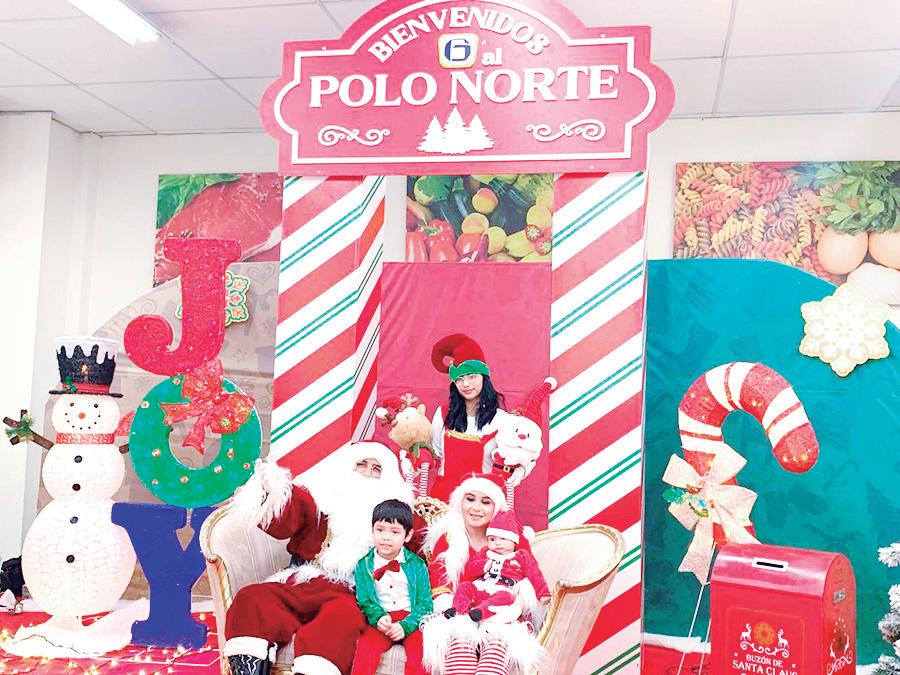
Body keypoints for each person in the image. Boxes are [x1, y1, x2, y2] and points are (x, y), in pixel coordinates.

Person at [223, 441, 413, 675]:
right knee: (252, 599)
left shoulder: (399, 519)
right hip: (306, 580)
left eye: (376, 469)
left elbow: (419, 553)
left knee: (337, 620)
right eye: (361, 465)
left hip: (354, 592)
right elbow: (290, 511)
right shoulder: (322, 501)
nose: (366, 474)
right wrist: (274, 492)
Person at [422, 473, 544, 675]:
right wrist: (459, 614)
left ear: (496, 506)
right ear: (460, 501)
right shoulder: (448, 539)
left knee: (499, 639)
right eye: (470, 499)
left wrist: (516, 608)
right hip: (460, 612)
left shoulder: (512, 536)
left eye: (485, 502)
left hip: (501, 610)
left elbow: (529, 580)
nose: (476, 508)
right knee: (459, 640)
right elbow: (441, 587)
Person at [351, 499, 433, 675]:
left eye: (395, 532)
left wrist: (406, 626)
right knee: (365, 648)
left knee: (421, 654)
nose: (386, 537)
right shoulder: (363, 565)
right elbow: (364, 601)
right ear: (372, 530)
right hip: (383, 620)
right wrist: (378, 618)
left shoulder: (417, 565)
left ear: (407, 535)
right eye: (380, 530)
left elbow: (425, 604)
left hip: (411, 619)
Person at [430, 334, 510, 502]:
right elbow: (436, 453)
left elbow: (510, 462)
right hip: (444, 500)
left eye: (472, 376)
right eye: (459, 379)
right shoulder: (443, 414)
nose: (466, 384)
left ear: (484, 377)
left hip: (481, 502)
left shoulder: (502, 420)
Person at [444, 511, 550, 623]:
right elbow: (469, 569)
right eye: (492, 539)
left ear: (514, 541)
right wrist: (484, 565)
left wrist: (543, 593)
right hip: (481, 586)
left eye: (503, 539)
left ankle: (480, 613)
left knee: (505, 596)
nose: (497, 543)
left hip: (503, 588)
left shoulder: (521, 556)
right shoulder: (485, 553)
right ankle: (457, 611)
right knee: (465, 586)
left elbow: (535, 574)